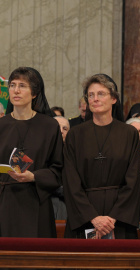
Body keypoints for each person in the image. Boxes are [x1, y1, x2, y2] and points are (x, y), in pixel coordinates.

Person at [63, 73, 140, 239]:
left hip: (119, 218)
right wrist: (93, 217)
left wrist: (112, 218)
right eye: (90, 95)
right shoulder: (75, 135)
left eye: (101, 94)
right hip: (84, 215)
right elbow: (71, 180)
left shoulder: (129, 134)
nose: (94, 99)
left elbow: (133, 180)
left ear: (114, 99)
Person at [0, 67, 63, 237]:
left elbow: (59, 170)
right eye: (12, 85)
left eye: (22, 85)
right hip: (4, 204)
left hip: (37, 201)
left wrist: (34, 176)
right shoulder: (1, 125)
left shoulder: (49, 126)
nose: (16, 90)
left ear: (35, 93)